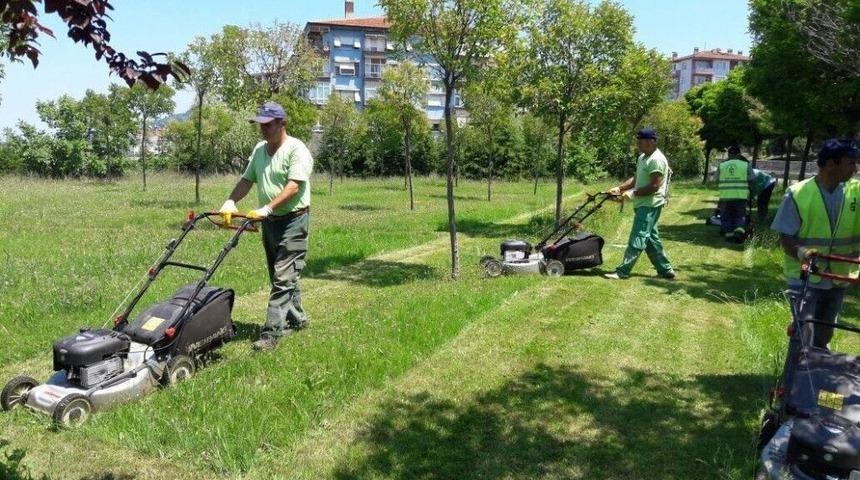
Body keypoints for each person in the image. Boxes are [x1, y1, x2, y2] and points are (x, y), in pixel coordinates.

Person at [219, 101, 314, 351]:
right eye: (260, 125)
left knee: (283, 277)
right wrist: (231, 201)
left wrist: (268, 207)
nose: (262, 129)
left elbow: (294, 186)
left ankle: (271, 334)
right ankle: (298, 319)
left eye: (268, 124)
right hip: (270, 223)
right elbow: (246, 180)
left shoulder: (296, 149)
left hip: (294, 220)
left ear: (282, 123)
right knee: (280, 275)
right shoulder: (260, 150)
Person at [771, 138, 859, 349]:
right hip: (805, 274)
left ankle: (819, 364)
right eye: (850, 163)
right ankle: (797, 368)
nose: (855, 169)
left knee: (825, 332)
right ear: (831, 164)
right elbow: (786, 237)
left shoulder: (856, 192)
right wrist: (802, 252)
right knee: (804, 330)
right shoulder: (798, 193)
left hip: (839, 275)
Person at [604, 128, 675, 280]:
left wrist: (631, 194)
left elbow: (654, 186)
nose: (638, 145)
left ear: (651, 142)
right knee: (651, 240)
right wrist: (619, 189)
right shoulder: (643, 157)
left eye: (640, 142)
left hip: (650, 204)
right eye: (638, 141)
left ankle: (623, 271)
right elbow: (636, 179)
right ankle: (666, 270)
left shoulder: (656, 160)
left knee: (638, 237)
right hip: (642, 203)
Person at [715, 145, 755, 243]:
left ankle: (729, 236)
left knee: (726, 216)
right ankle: (738, 233)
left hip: (725, 196)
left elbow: (716, 180)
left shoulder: (722, 165)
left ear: (728, 154)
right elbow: (752, 178)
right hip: (740, 196)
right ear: (739, 154)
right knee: (739, 215)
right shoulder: (745, 165)